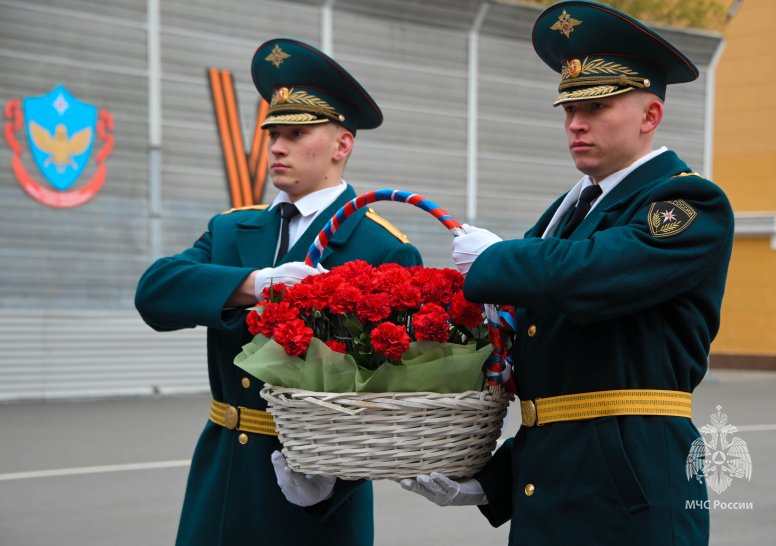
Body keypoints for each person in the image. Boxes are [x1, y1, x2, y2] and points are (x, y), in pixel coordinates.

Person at [401, 2, 734, 545]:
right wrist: (490, 481)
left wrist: (496, 259)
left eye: (597, 105)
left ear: (651, 116)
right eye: (569, 107)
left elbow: (593, 276)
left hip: (632, 498)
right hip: (553, 493)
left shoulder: (688, 201)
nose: (575, 122)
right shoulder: (569, 210)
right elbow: (564, 391)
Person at [135, 38, 421, 546]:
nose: (277, 147)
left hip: (316, 489)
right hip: (224, 476)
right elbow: (155, 293)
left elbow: (391, 395)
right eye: (273, 134)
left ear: (341, 145)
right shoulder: (233, 230)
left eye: (296, 133)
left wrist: (332, 481)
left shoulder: (383, 250)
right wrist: (252, 285)